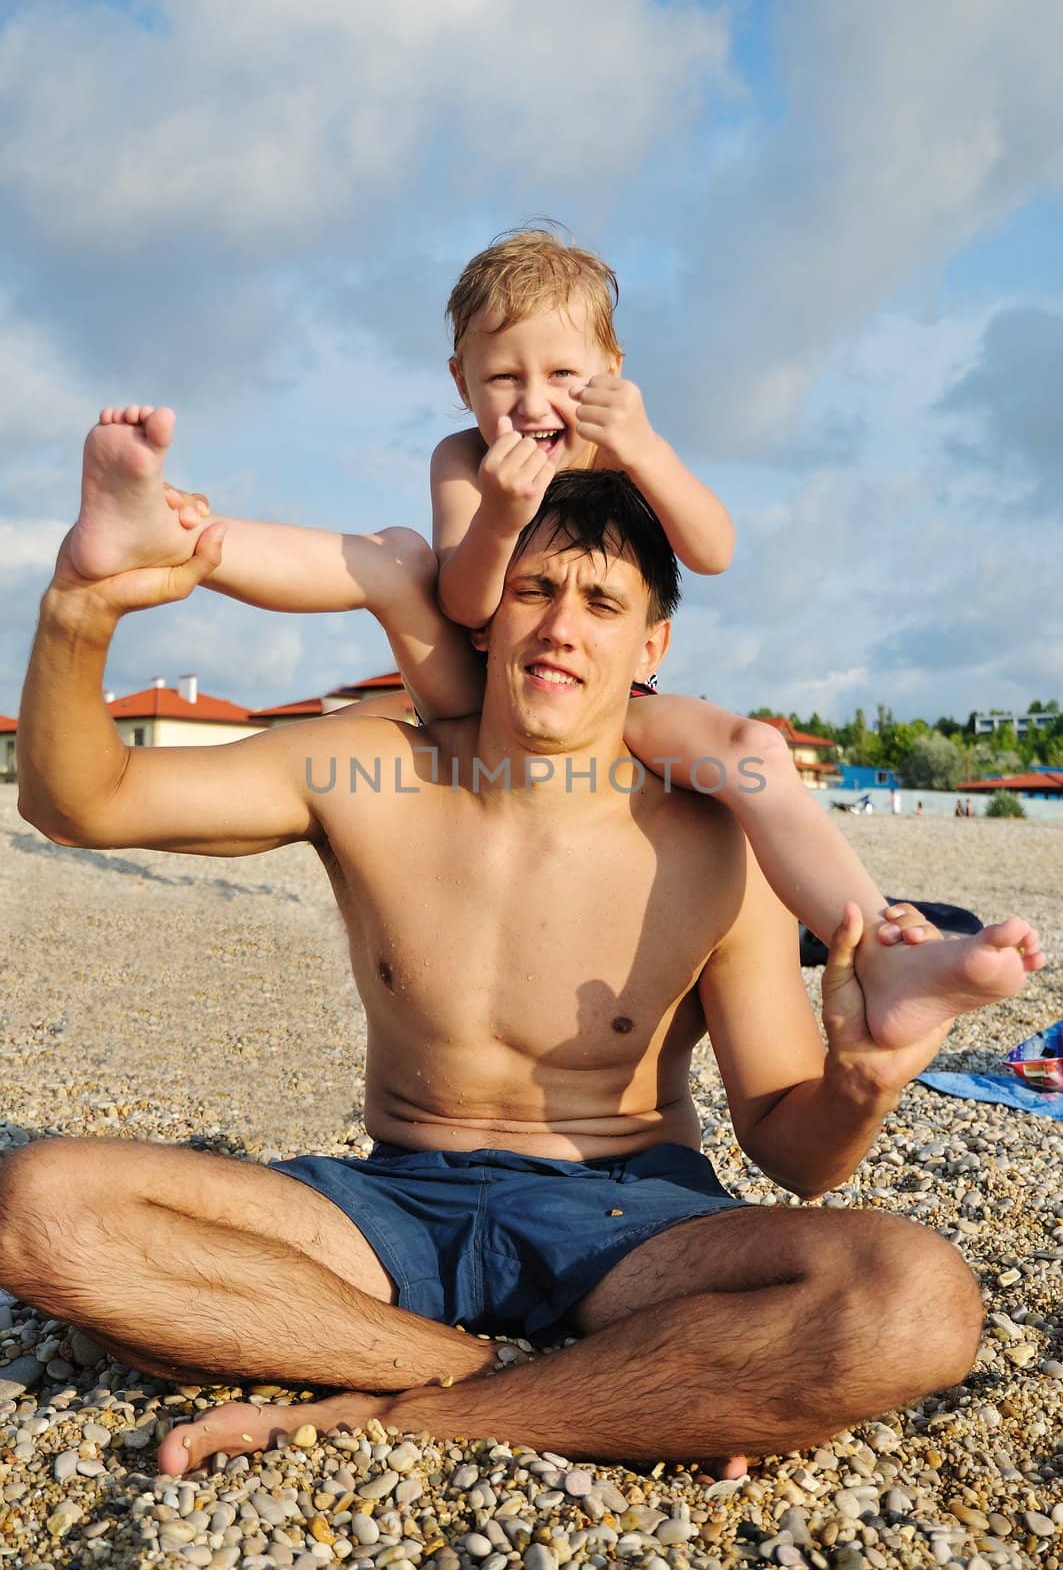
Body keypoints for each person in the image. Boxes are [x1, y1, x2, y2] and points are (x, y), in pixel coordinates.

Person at [4, 415, 1045, 1479]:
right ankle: (546, 1381)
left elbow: (792, 1152)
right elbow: (82, 798)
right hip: (387, 1210)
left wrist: (862, 1083)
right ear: (489, 608)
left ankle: (392, 1411)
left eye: (601, 603)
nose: (560, 628)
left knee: (915, 1300)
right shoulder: (370, 771)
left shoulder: (718, 843)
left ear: (651, 647)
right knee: (45, 1206)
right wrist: (81, 608)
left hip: (632, 1224)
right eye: (537, 591)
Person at [65, 229, 938, 1048]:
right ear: (460, 382)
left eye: (562, 373)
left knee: (751, 749)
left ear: (610, 371)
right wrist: (502, 514)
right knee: (396, 557)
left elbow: (712, 551)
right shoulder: (461, 460)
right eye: (502, 380)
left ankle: (873, 938)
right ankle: (165, 536)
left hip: (602, 703)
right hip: (473, 685)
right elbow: (466, 600)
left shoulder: (618, 453)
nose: (532, 403)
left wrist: (647, 450)